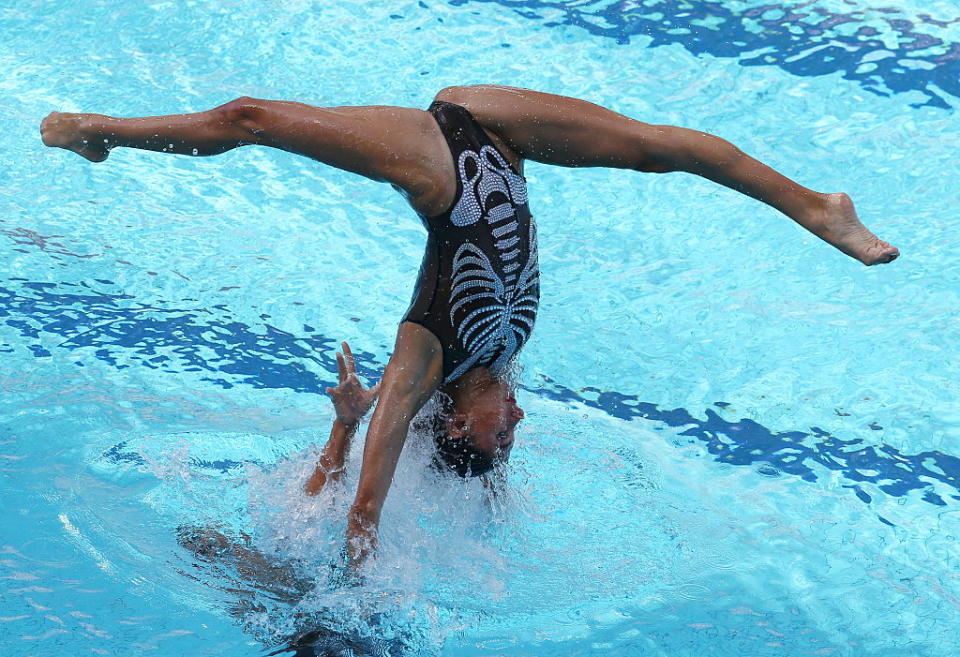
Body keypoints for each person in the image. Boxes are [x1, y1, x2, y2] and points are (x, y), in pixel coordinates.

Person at [39, 84, 899, 566]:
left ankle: (104, 133)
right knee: (656, 145)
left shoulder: (426, 355)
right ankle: (818, 209)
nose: (518, 417)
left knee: (250, 119)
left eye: (499, 436)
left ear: (451, 419)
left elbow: (374, 472)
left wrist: (359, 543)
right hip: (501, 135)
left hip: (443, 164)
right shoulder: (508, 350)